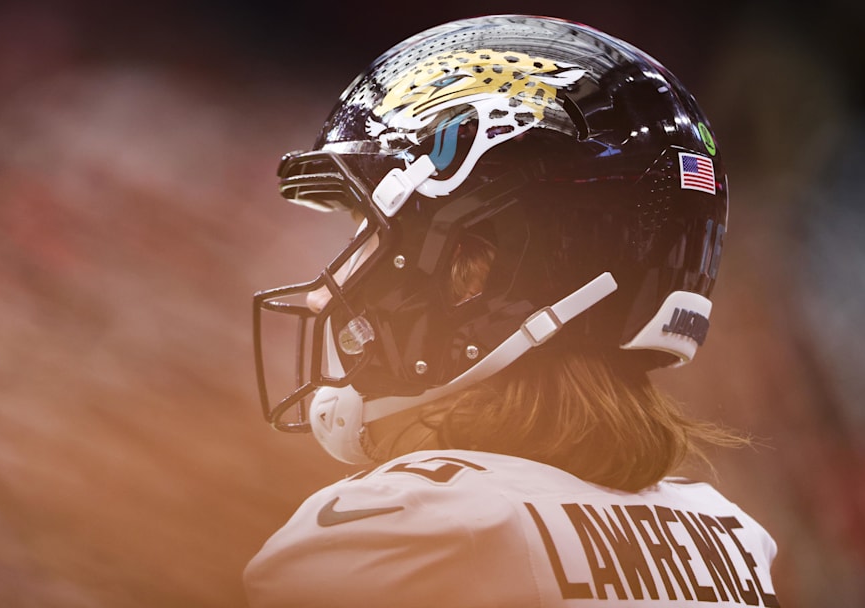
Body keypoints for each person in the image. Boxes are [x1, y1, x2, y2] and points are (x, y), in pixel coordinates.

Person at [246, 14, 780, 607]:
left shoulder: (408, 525)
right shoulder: (729, 541)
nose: (335, 284)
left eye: (368, 233)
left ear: (474, 268)